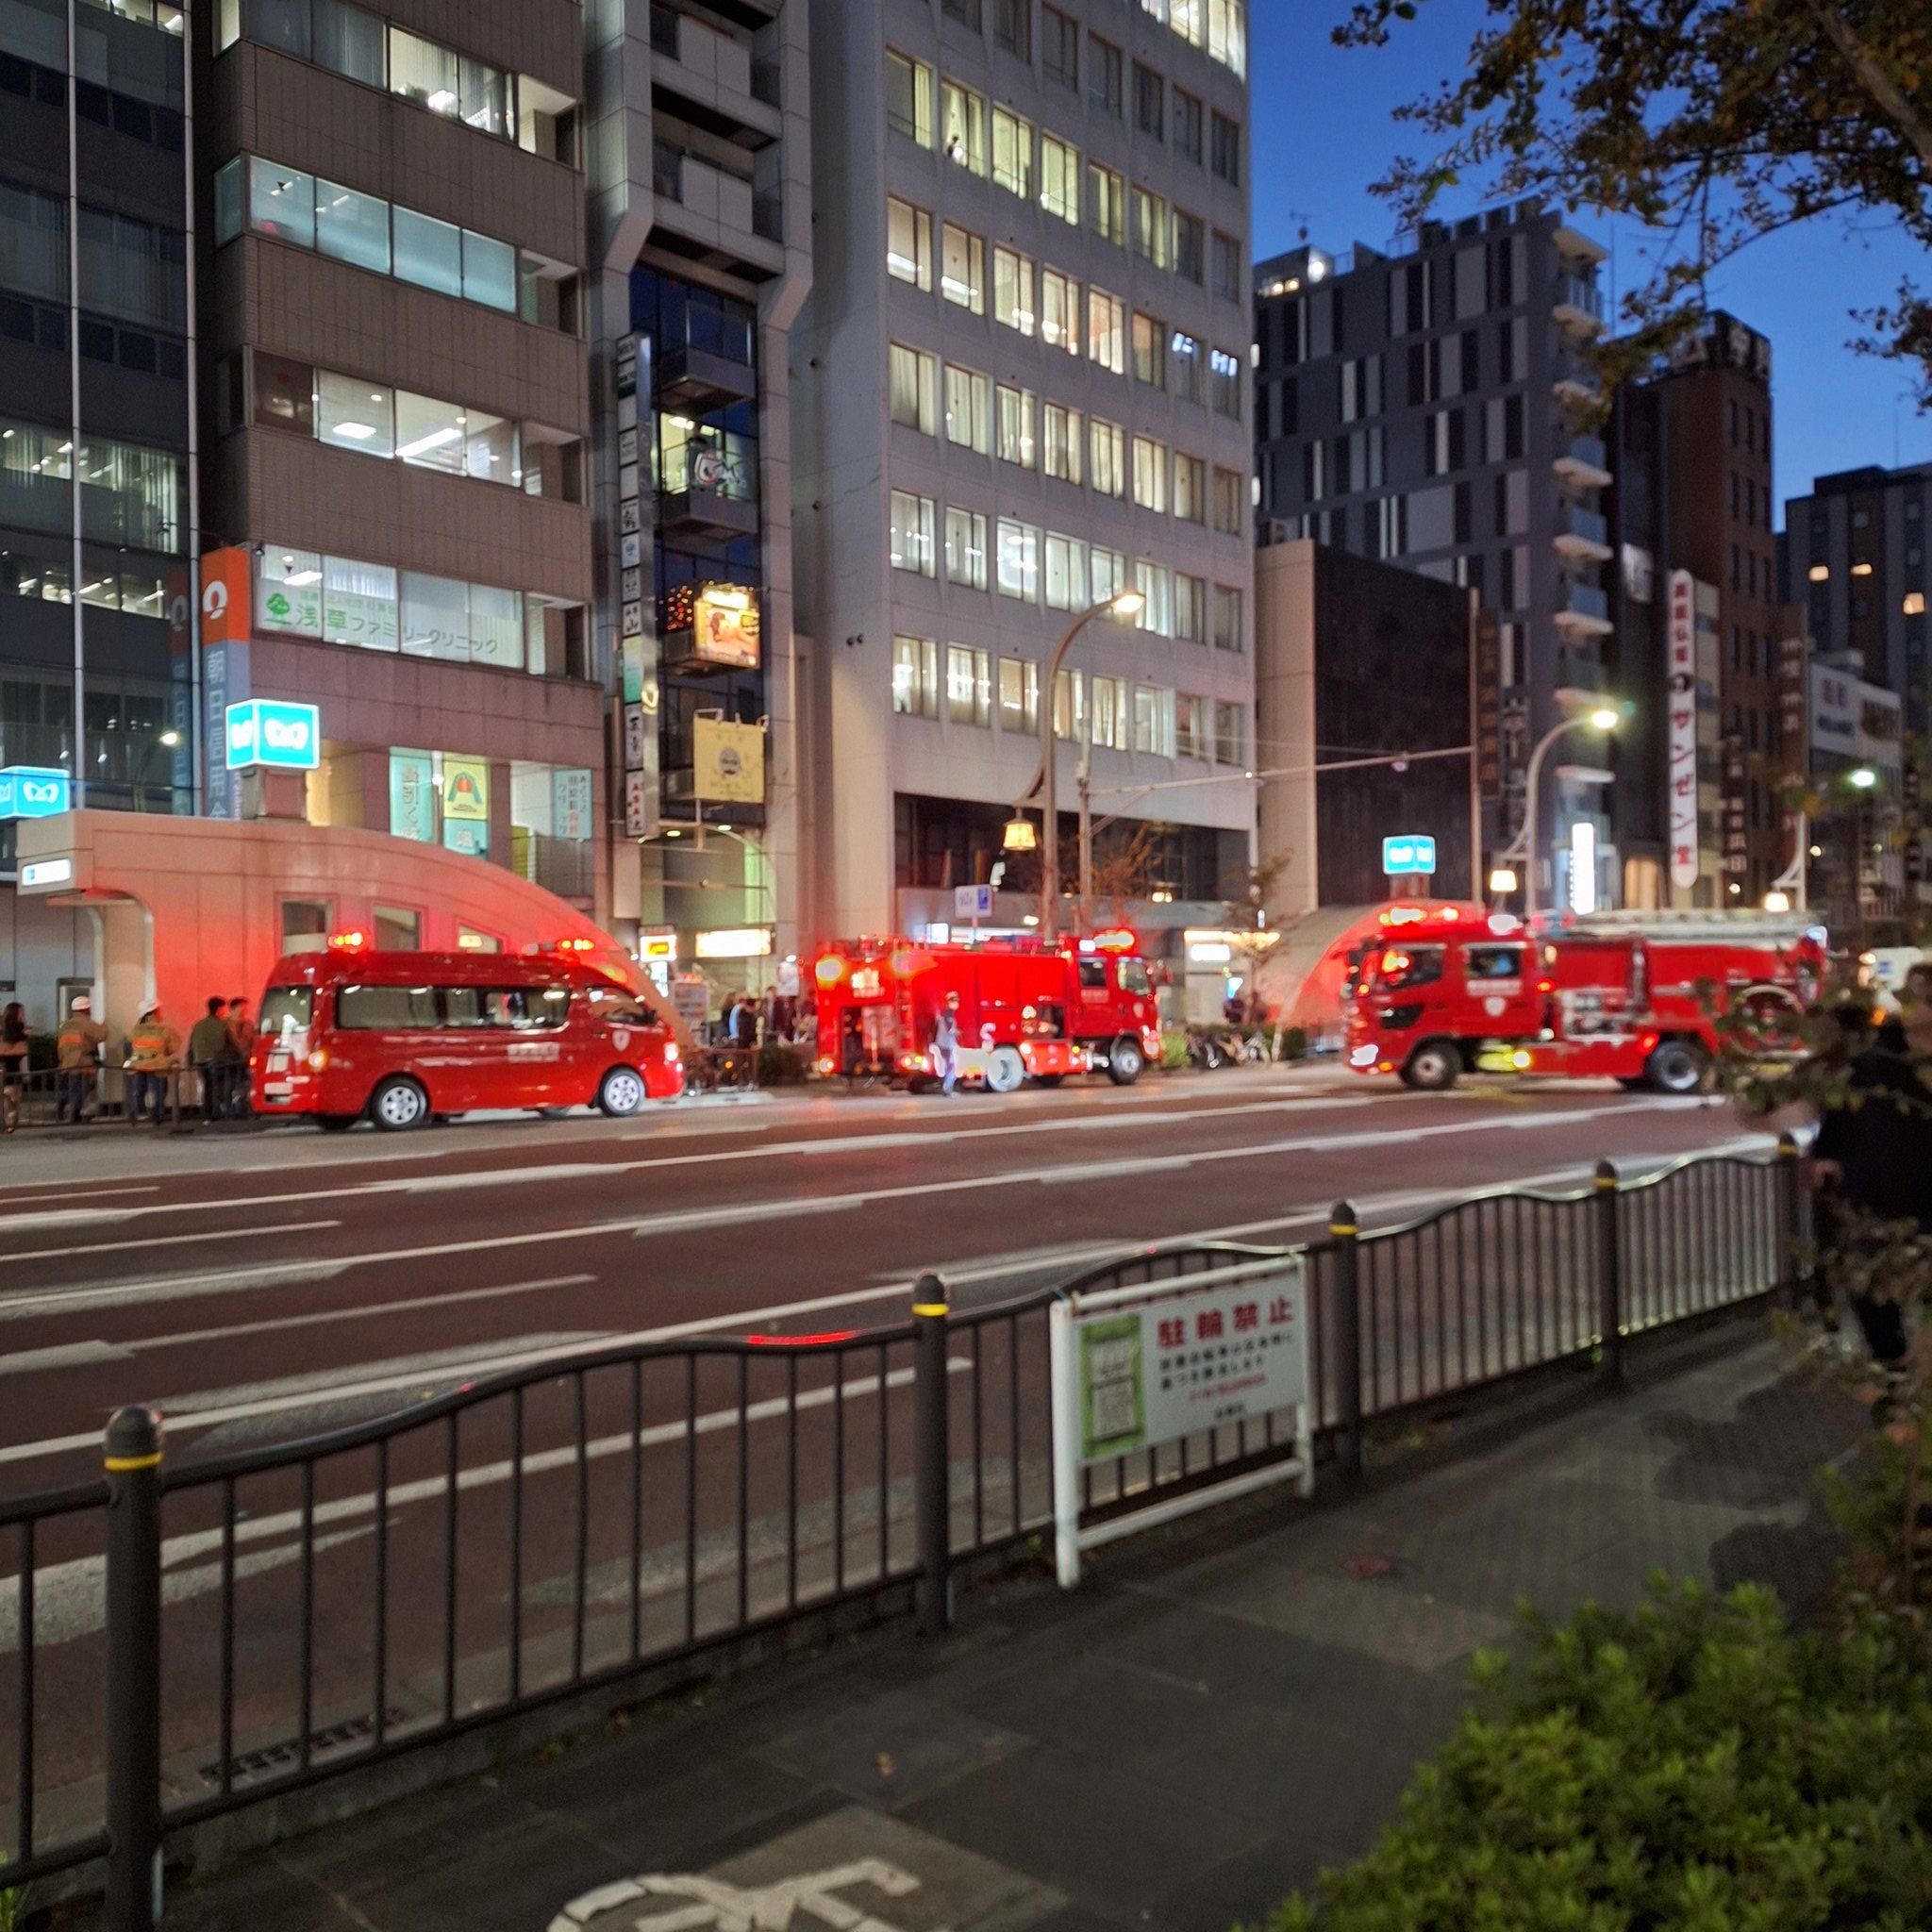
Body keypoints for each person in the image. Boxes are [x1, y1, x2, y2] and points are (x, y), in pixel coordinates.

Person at [1808, 965, 1932, 1374]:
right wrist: (1826, 1155)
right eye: (1909, 994)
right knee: (1877, 1312)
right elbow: (1841, 1116)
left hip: (1923, 1212)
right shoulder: (1876, 1059)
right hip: (1875, 1211)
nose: (1914, 1004)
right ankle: (1894, 1389)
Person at [126, 1001, 181, 1124]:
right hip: (158, 1065)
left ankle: (138, 1114)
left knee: (139, 1090)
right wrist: (164, 1053)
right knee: (159, 1091)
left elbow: (131, 1044)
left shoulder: (136, 1029)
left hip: (139, 1064)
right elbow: (175, 1045)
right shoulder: (164, 1028)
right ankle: (157, 1116)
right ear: (155, 1012)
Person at [57, 996, 108, 1124]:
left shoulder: (65, 1025)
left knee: (69, 1087)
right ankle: (76, 1113)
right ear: (86, 1009)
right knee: (81, 1087)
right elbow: (101, 1035)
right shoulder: (86, 1022)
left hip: (66, 1061)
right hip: (82, 1060)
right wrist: (105, 1025)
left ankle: (61, 1108)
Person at [187, 997, 230, 1121]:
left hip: (200, 1060)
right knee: (217, 1087)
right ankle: (216, 1113)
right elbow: (227, 1044)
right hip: (216, 1061)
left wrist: (191, 1059)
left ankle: (207, 1113)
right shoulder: (222, 1025)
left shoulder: (198, 1025)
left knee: (207, 1087)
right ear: (218, 1009)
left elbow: (191, 1044)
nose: (224, 1012)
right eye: (223, 1009)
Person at [0, 1002, 27, 1133]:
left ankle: (7, 1123)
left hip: (7, 1068)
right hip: (12, 1069)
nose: (23, 1015)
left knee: (7, 1097)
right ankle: (9, 1124)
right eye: (21, 1012)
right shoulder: (16, 1029)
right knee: (12, 1098)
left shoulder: (5, 1028)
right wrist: (25, 1035)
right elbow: (19, 1048)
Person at [224, 996, 253, 1116]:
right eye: (242, 1007)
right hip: (230, 1060)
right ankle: (230, 1108)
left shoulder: (248, 1024)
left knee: (244, 1084)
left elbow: (251, 1041)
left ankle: (242, 1107)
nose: (244, 1010)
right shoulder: (224, 1025)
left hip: (244, 1059)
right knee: (230, 1084)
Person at [932, 992, 961, 1097]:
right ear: (950, 1002)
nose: (957, 1003)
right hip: (945, 1044)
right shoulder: (949, 1013)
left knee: (947, 1066)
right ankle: (947, 1089)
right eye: (955, 1001)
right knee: (951, 1067)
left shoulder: (945, 1013)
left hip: (943, 1044)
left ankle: (946, 1088)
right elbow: (950, 1030)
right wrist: (959, 1032)